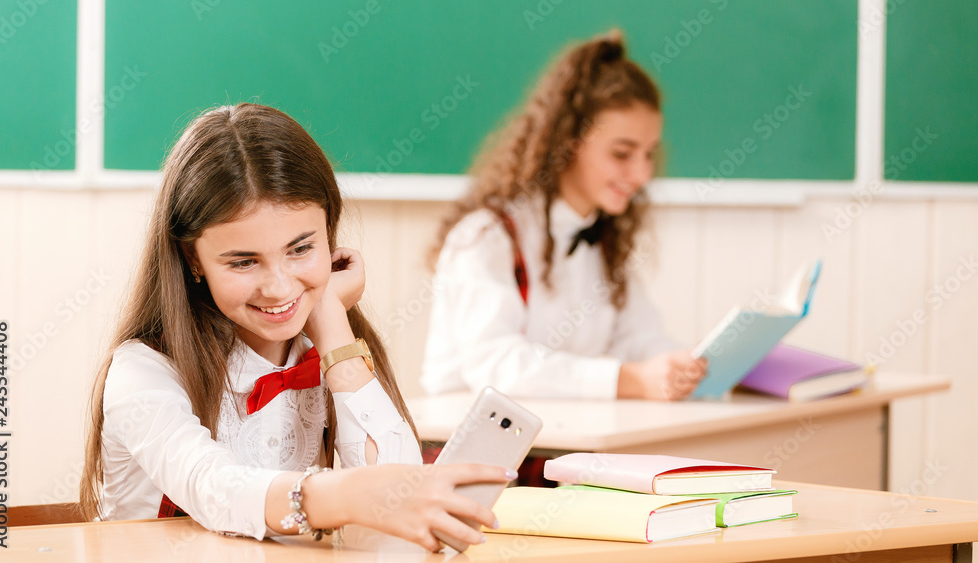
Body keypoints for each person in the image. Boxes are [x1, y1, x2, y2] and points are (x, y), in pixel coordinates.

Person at [79, 103, 512, 551]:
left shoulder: (324, 342)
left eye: (301, 248)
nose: (279, 286)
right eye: (244, 261)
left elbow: (396, 504)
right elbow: (215, 489)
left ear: (329, 232)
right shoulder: (143, 370)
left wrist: (331, 326)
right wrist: (345, 495)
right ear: (193, 258)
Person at [421, 31, 708, 402]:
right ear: (568, 143)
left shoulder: (603, 240)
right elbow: (496, 364)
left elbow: (640, 339)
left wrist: (690, 366)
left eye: (649, 154)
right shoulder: (486, 237)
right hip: (465, 450)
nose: (642, 175)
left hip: (556, 445)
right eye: (622, 154)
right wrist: (628, 380)